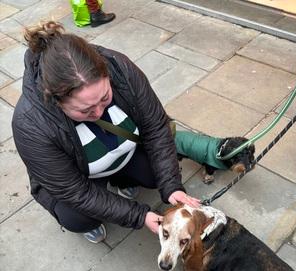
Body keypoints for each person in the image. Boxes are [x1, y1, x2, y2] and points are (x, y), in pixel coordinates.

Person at [12, 21, 200, 243]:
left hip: (122, 154)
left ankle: (122, 180)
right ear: (56, 101)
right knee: (78, 217)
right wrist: (138, 215)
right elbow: (76, 192)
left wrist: (171, 186)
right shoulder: (30, 124)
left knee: (157, 175)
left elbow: (155, 127)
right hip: (78, 179)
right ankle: (94, 216)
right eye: (86, 110)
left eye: (105, 98)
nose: (99, 112)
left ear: (107, 74)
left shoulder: (120, 68)